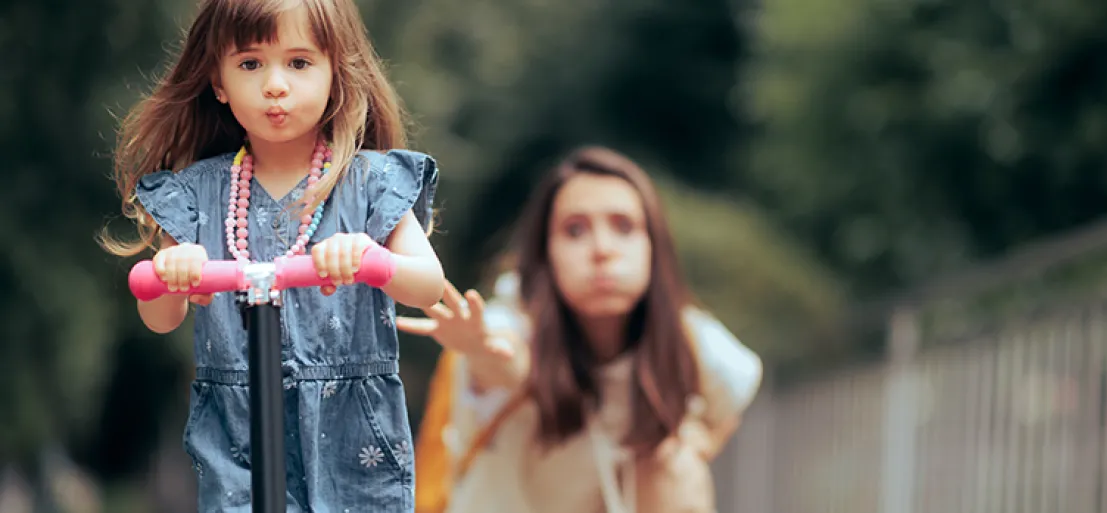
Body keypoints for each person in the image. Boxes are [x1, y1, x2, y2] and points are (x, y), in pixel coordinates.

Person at [99, 0, 445, 510]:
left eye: (299, 63)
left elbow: (429, 285)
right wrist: (172, 273)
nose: (275, 85)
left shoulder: (370, 182)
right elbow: (159, 317)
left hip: (350, 429)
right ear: (218, 81)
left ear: (335, 74)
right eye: (250, 64)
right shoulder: (197, 196)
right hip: (240, 431)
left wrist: (374, 259)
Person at [399, 146, 763, 513]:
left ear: (654, 246)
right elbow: (508, 362)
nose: (603, 249)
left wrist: (694, 443)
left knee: (675, 461)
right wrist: (479, 347)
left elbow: (739, 385)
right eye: (575, 231)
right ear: (546, 254)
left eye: (624, 226)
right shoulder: (512, 322)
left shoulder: (686, 337)